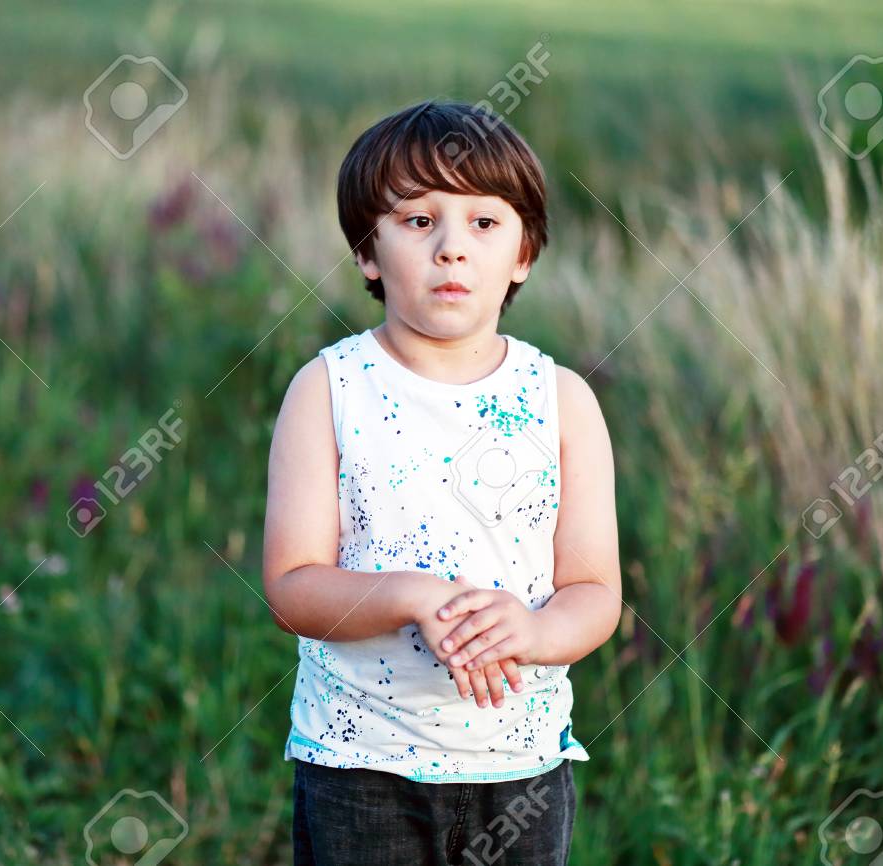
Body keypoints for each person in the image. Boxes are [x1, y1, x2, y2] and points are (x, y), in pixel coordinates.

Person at [262, 99, 622, 865]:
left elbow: (594, 593)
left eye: (484, 224)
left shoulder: (561, 401)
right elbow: (292, 589)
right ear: (368, 251)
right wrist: (409, 596)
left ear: (524, 253)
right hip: (360, 764)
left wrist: (534, 632)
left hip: (520, 766)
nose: (452, 250)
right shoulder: (329, 389)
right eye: (418, 221)